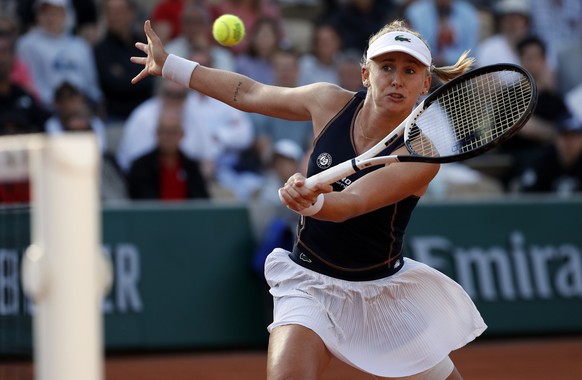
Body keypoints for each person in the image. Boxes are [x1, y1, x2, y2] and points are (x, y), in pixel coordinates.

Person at [131, 18, 486, 379]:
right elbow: (250, 93)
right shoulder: (328, 101)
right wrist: (171, 65)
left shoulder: (423, 154)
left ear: (425, 83)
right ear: (366, 74)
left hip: (382, 294)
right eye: (386, 67)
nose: (397, 79)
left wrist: (312, 202)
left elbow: (354, 202)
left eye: (410, 71)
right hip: (310, 284)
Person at [15, 0, 102, 110]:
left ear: (65, 14)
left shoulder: (80, 45)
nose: (50, 18)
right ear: (37, 15)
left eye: (55, 12)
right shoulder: (27, 44)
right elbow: (32, 84)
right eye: (45, 12)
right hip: (46, 110)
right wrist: (60, 104)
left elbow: (91, 85)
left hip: (82, 108)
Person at [127, 106, 210, 200]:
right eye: (163, 131)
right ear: (156, 133)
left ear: (182, 134)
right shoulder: (141, 166)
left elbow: (202, 201)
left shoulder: (191, 167)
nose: (167, 137)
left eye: (172, 132)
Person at [93, 0, 156, 122]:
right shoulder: (101, 49)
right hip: (115, 118)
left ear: (131, 13)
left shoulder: (142, 43)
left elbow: (151, 78)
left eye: (119, 11)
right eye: (109, 12)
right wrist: (138, 76)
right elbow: (113, 85)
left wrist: (124, 75)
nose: (114, 16)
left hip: (147, 117)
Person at [516, 114, 582, 196]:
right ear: (556, 138)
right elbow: (527, 195)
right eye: (565, 136)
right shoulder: (543, 159)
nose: (569, 142)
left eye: (574, 136)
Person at [404, 0, 480, 67]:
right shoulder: (415, 12)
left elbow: (471, 50)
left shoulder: (468, 12)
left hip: (460, 68)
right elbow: (417, 46)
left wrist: (447, 58)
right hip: (428, 66)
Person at [474, 0, 530, 67]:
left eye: (517, 19)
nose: (513, 24)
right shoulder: (487, 49)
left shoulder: (536, 48)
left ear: (526, 22)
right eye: (508, 19)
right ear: (500, 22)